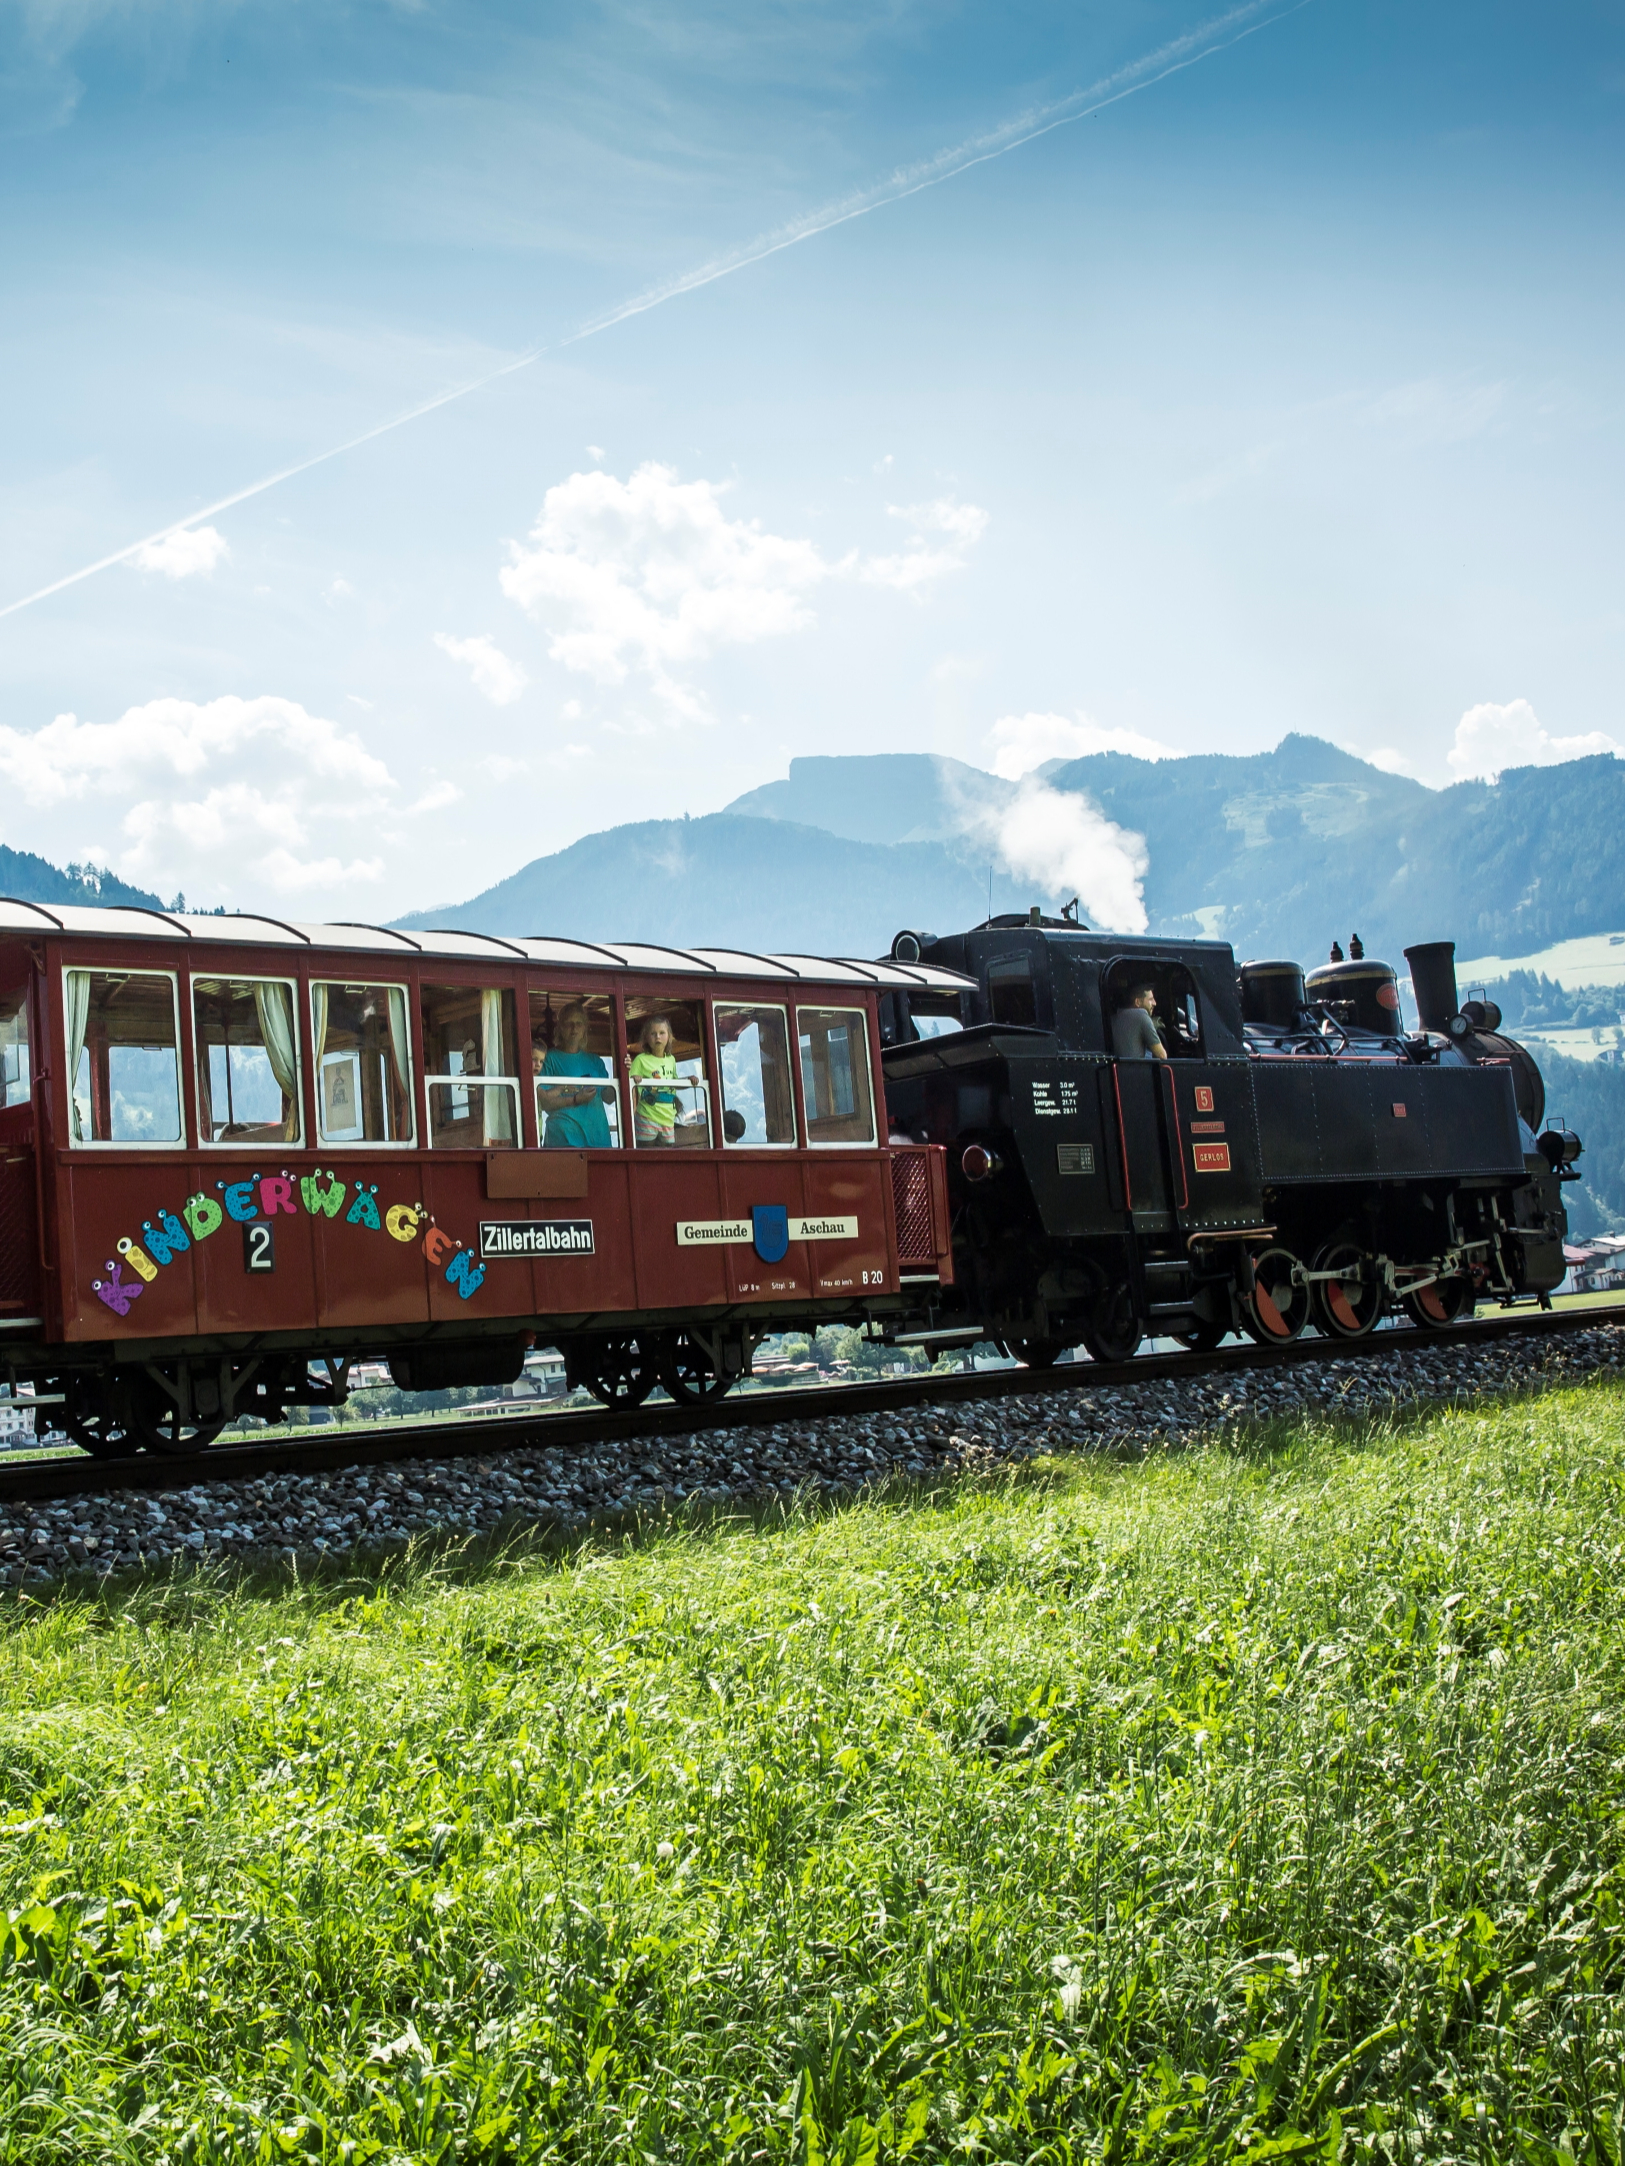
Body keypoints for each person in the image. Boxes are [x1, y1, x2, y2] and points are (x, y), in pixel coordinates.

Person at [535, 1005, 615, 1148]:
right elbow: (544, 1103)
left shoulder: (595, 1060)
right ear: (559, 1028)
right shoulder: (549, 1058)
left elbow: (609, 1098)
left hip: (598, 1138)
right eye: (569, 1024)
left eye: (579, 1024)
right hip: (564, 1138)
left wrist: (624, 1071)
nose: (574, 1029)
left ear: (585, 1028)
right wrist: (575, 1099)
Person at [627, 1014, 680, 1144]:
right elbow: (629, 1083)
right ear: (646, 1038)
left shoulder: (671, 1060)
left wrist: (690, 1080)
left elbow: (675, 1083)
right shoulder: (640, 1059)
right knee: (647, 1152)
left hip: (667, 1117)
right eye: (653, 1033)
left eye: (662, 1033)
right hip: (647, 1115)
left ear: (669, 1036)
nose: (658, 1037)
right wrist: (635, 1078)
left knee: (667, 1153)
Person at [1112, 980, 1168, 1061]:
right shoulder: (1141, 1015)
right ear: (1137, 1002)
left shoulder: (1115, 1017)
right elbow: (1162, 1056)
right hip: (1138, 1071)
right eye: (1150, 999)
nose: (1155, 1003)